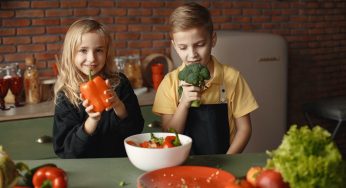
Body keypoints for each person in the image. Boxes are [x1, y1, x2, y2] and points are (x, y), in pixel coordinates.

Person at [152, 2, 258, 155]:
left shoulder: (232, 78)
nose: (192, 54)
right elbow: (169, 133)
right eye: (183, 47)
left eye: (200, 44)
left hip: (224, 163)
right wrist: (184, 103)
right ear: (174, 46)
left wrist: (228, 161)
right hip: (183, 166)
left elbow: (245, 129)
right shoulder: (169, 83)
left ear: (212, 39)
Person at [53, 18, 144, 158]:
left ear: (107, 52)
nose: (92, 58)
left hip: (121, 163)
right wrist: (92, 121)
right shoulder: (65, 95)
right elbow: (66, 151)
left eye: (99, 50)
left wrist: (119, 106)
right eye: (83, 50)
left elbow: (136, 130)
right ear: (71, 53)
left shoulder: (120, 83)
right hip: (85, 170)